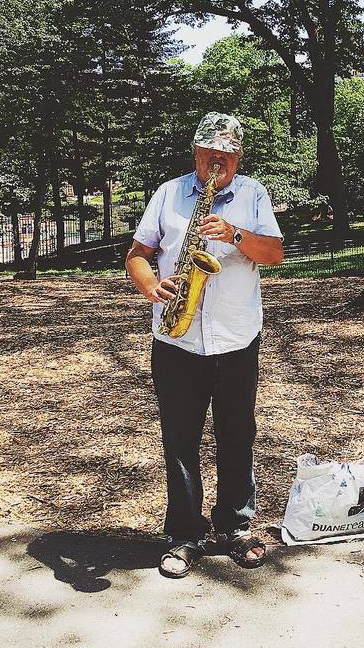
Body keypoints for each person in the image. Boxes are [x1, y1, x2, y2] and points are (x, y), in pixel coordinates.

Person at [125, 112, 284, 578]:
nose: (217, 162)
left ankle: (235, 528)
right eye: (208, 153)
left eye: (226, 155)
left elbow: (274, 254)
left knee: (237, 434)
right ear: (195, 153)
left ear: (238, 157)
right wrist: (151, 285)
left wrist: (234, 234)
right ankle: (184, 535)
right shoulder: (169, 193)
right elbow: (138, 255)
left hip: (236, 338)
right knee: (179, 440)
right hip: (177, 340)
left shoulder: (253, 194)